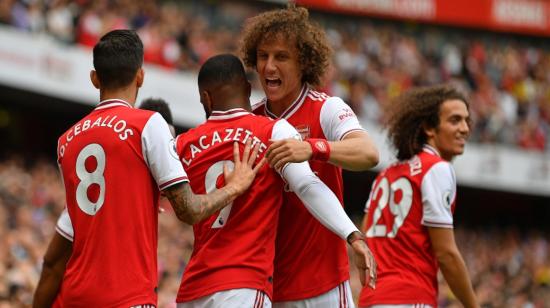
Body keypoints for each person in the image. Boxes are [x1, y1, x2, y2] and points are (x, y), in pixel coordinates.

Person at [33, 30, 262, 308]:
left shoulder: (66, 142)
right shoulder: (147, 124)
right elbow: (189, 210)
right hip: (127, 298)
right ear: (140, 76)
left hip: (75, 297)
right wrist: (235, 186)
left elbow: (58, 254)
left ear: (95, 78)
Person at [174, 53, 375, 308]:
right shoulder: (272, 130)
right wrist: (353, 234)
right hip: (243, 286)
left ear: (205, 97)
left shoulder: (182, 144)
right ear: (248, 89)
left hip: (192, 289)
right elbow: (307, 184)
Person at [240, 5, 380, 307]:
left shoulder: (326, 108)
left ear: (303, 62)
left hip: (324, 287)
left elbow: (368, 153)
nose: (268, 66)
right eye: (263, 56)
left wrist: (313, 147)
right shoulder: (251, 120)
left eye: (281, 56)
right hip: (267, 289)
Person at [358, 85, 479, 308]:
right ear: (429, 128)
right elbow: (446, 255)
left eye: (466, 121)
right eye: (455, 120)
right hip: (410, 295)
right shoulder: (436, 168)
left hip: (371, 299)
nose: (464, 129)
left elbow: (363, 242)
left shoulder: (386, 174)